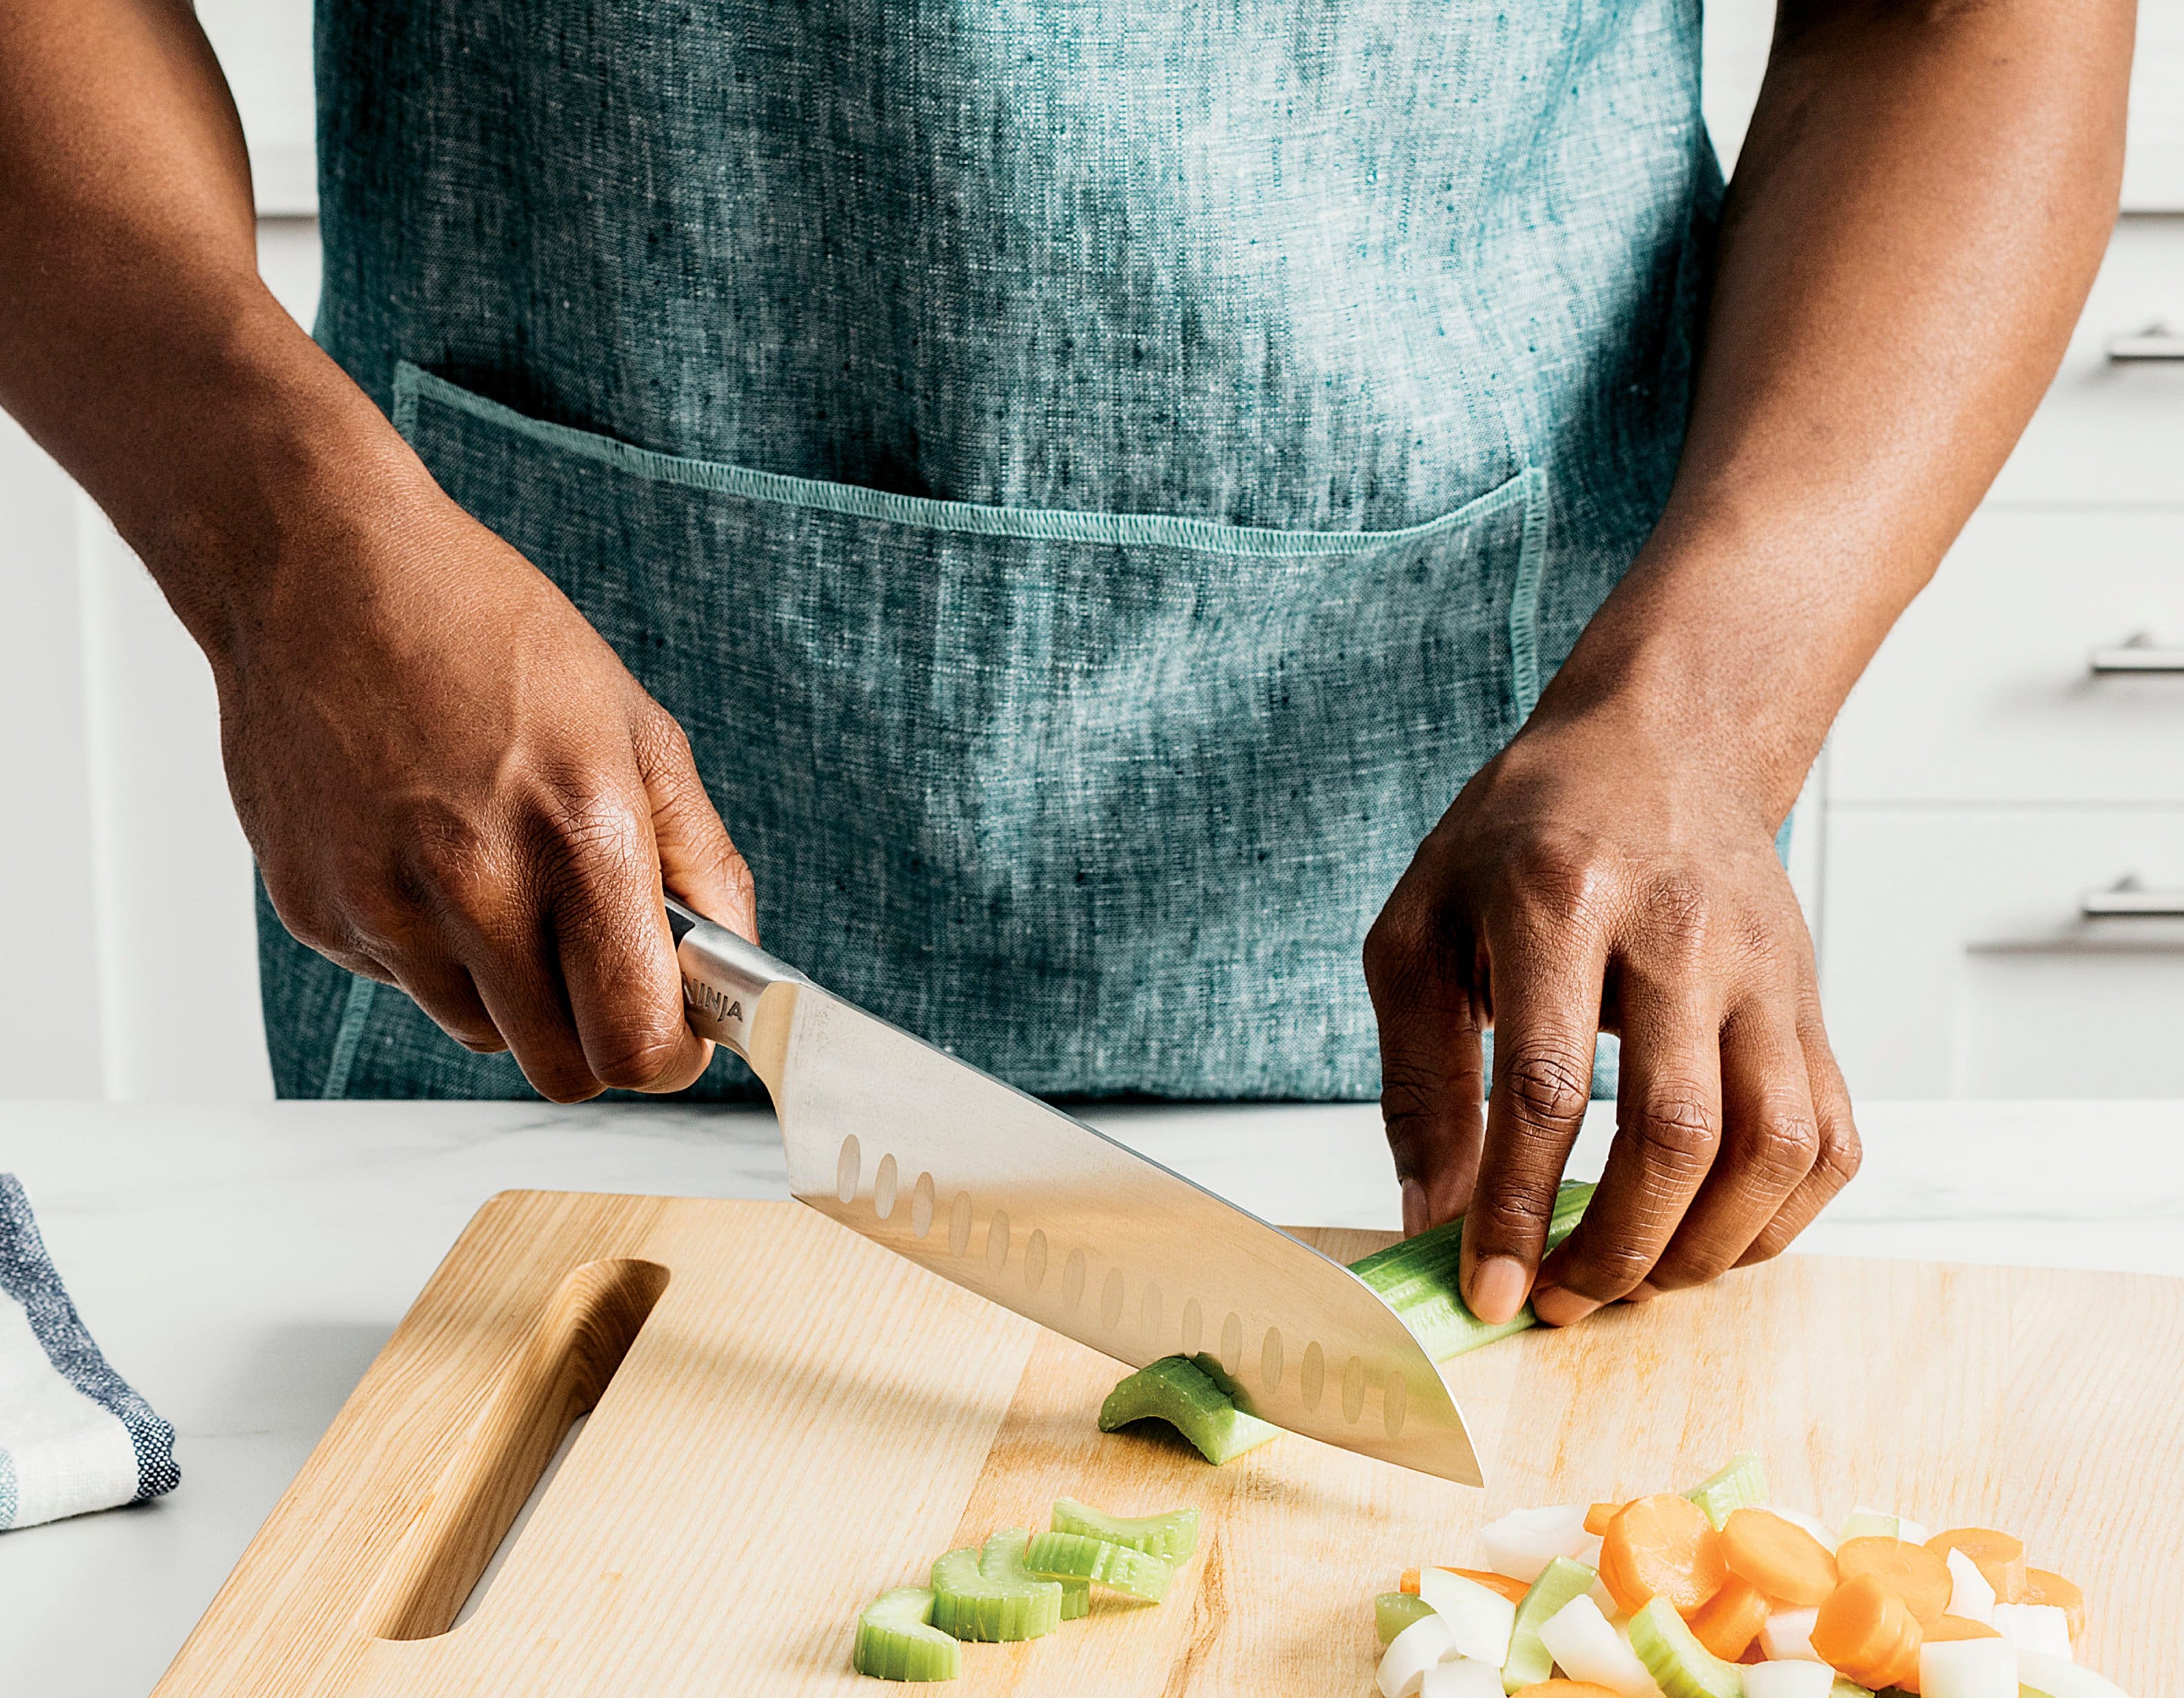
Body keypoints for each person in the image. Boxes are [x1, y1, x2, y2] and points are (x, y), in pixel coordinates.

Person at [0, 2, 2131, 1331]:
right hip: (512, 876)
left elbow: (1970, 19)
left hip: (1502, 931)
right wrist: (279, 540)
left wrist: (1708, 703)